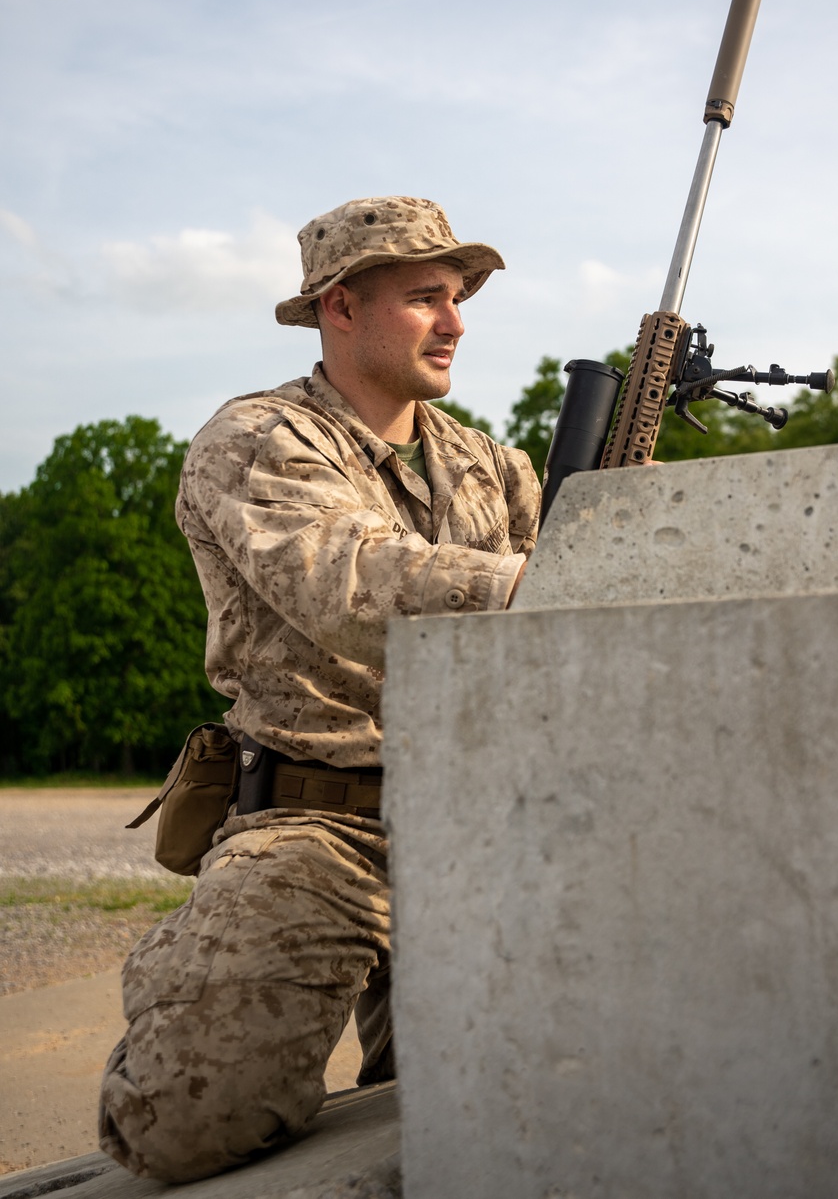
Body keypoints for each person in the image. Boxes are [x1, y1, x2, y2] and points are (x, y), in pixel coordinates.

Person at [98, 196, 541, 1182]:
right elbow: (354, 582)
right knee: (183, 1127)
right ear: (341, 307)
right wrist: (551, 580)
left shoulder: (491, 465)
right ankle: (183, 995)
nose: (457, 320)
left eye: (458, 296)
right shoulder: (256, 439)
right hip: (315, 816)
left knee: (516, 1095)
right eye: (426, 297)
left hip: (475, 817)